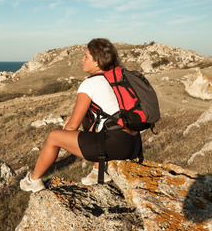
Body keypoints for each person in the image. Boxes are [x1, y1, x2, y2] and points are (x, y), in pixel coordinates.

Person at [20, 38, 142, 192]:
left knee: (54, 137)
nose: (82, 59)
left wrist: (67, 129)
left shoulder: (90, 83)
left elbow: (72, 126)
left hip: (116, 145)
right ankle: (98, 171)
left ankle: (32, 180)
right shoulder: (117, 79)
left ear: (97, 62)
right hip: (134, 143)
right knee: (93, 119)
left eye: (86, 56)